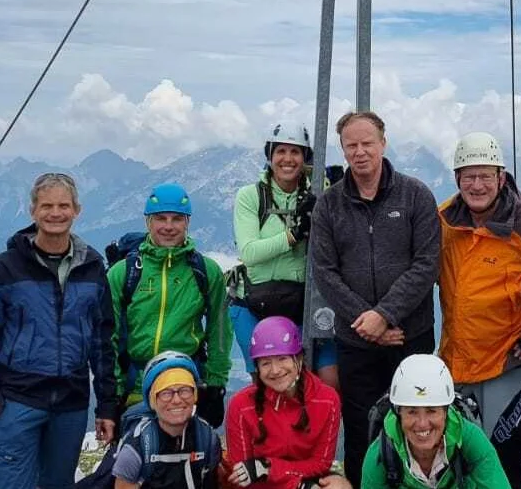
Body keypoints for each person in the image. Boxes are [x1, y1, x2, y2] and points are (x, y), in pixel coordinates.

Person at [0, 172, 118, 489]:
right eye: (46, 206)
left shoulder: (92, 268)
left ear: (77, 210)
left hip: (71, 405)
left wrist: (107, 405)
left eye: (63, 205)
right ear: (32, 211)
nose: (55, 213)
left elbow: (103, 343)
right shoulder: (2, 269)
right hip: (16, 401)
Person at [310, 111, 441, 488]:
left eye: (367, 143)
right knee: (361, 429)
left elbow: (426, 264)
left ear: (383, 143)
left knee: (419, 424)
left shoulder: (415, 195)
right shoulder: (329, 205)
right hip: (355, 341)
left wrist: (384, 315)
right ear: (343, 149)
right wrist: (367, 324)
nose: (360, 151)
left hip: (410, 336)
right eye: (351, 145)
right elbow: (325, 272)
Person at [436, 132, 521, 489]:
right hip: (454, 364)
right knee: (453, 461)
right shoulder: (444, 221)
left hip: (506, 367)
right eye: (468, 176)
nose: (476, 185)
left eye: (485, 175)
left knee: (504, 461)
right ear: (457, 179)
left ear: (501, 178)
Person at [109, 182, 233, 428]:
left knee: (188, 459)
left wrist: (216, 383)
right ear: (148, 222)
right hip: (136, 383)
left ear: (187, 222)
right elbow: (108, 334)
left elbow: (220, 328)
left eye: (176, 219)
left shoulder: (205, 271)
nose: (168, 226)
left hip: (185, 384)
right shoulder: (123, 273)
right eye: (160, 218)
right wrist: (113, 389)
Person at [230, 123, 338, 389]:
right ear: (270, 155)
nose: (287, 159)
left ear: (305, 158)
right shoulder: (251, 196)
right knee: (268, 386)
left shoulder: (319, 193)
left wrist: (338, 196)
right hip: (255, 303)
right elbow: (250, 252)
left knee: (327, 382)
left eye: (295, 152)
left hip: (302, 303)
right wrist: (294, 235)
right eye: (281, 151)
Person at [225, 316, 350, 489]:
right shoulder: (241, 406)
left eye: (282, 359)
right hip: (269, 486)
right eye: (266, 363)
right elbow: (243, 476)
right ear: (257, 368)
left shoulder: (327, 400)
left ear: (299, 359)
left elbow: (321, 463)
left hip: (306, 482)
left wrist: (269, 467)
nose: (275, 370)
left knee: (339, 486)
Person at [362, 354, 509, 489]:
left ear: (446, 412)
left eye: (431, 410)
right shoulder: (380, 454)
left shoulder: (470, 441)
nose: (422, 423)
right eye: (412, 411)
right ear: (398, 413)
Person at [111, 351, 222, 489]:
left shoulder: (207, 440)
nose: (176, 400)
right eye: (165, 393)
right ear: (152, 401)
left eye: (184, 390)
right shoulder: (136, 449)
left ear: (195, 396)